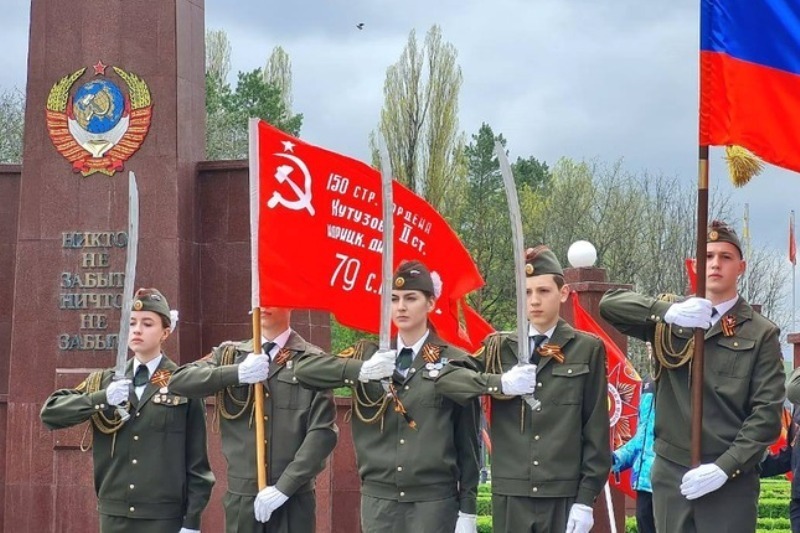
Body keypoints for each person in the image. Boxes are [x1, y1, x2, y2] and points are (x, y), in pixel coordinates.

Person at [599, 220, 786, 533]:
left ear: (741, 267)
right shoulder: (672, 318)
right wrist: (666, 311)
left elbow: (765, 416)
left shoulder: (760, 333)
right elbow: (610, 306)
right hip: (672, 476)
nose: (716, 264)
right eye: (708, 256)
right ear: (697, 265)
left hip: (730, 483)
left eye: (725, 257)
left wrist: (725, 468)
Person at [294, 260, 481, 533]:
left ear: (431, 303)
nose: (401, 306)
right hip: (379, 503)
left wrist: (468, 510)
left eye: (411, 298)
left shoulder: (454, 362)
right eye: (393, 299)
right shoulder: (369, 355)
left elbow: (468, 442)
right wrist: (361, 370)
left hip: (433, 504)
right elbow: (305, 372)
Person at [435, 246, 610, 533]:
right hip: (511, 495)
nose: (534, 301)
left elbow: (596, 430)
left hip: (562, 494)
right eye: (527, 292)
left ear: (563, 293)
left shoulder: (586, 348)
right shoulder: (500, 347)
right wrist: (499, 383)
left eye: (543, 291)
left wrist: (586, 499)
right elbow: (445, 379)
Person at [40, 288, 215, 533]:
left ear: (165, 332)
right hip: (114, 517)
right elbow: (50, 413)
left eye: (147, 323)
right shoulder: (105, 381)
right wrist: (102, 398)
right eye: (132, 322)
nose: (137, 329)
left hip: (163, 518)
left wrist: (192, 522)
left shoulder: (182, 383)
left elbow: (198, 464)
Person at [168, 305, 337, 533]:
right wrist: (236, 373)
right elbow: (179, 382)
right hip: (242, 501)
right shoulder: (230, 355)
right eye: (260, 297)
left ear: (289, 304)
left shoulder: (312, 360)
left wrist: (284, 487)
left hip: (293, 500)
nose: (264, 305)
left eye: (273, 298)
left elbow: (322, 433)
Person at [612, 376, 655, 533]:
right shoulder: (648, 385)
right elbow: (642, 438)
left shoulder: (683, 387)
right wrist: (617, 458)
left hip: (668, 483)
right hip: (644, 484)